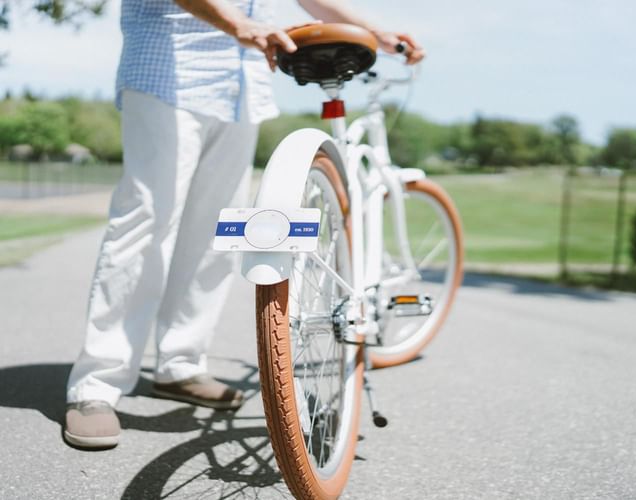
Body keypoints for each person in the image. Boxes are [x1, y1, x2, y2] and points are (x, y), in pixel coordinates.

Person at [63, 0, 425, 450]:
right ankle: (96, 386)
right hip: (169, 67)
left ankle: (181, 364)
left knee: (219, 232)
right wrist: (236, 23)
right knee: (147, 224)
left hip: (242, 82)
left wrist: (375, 31)